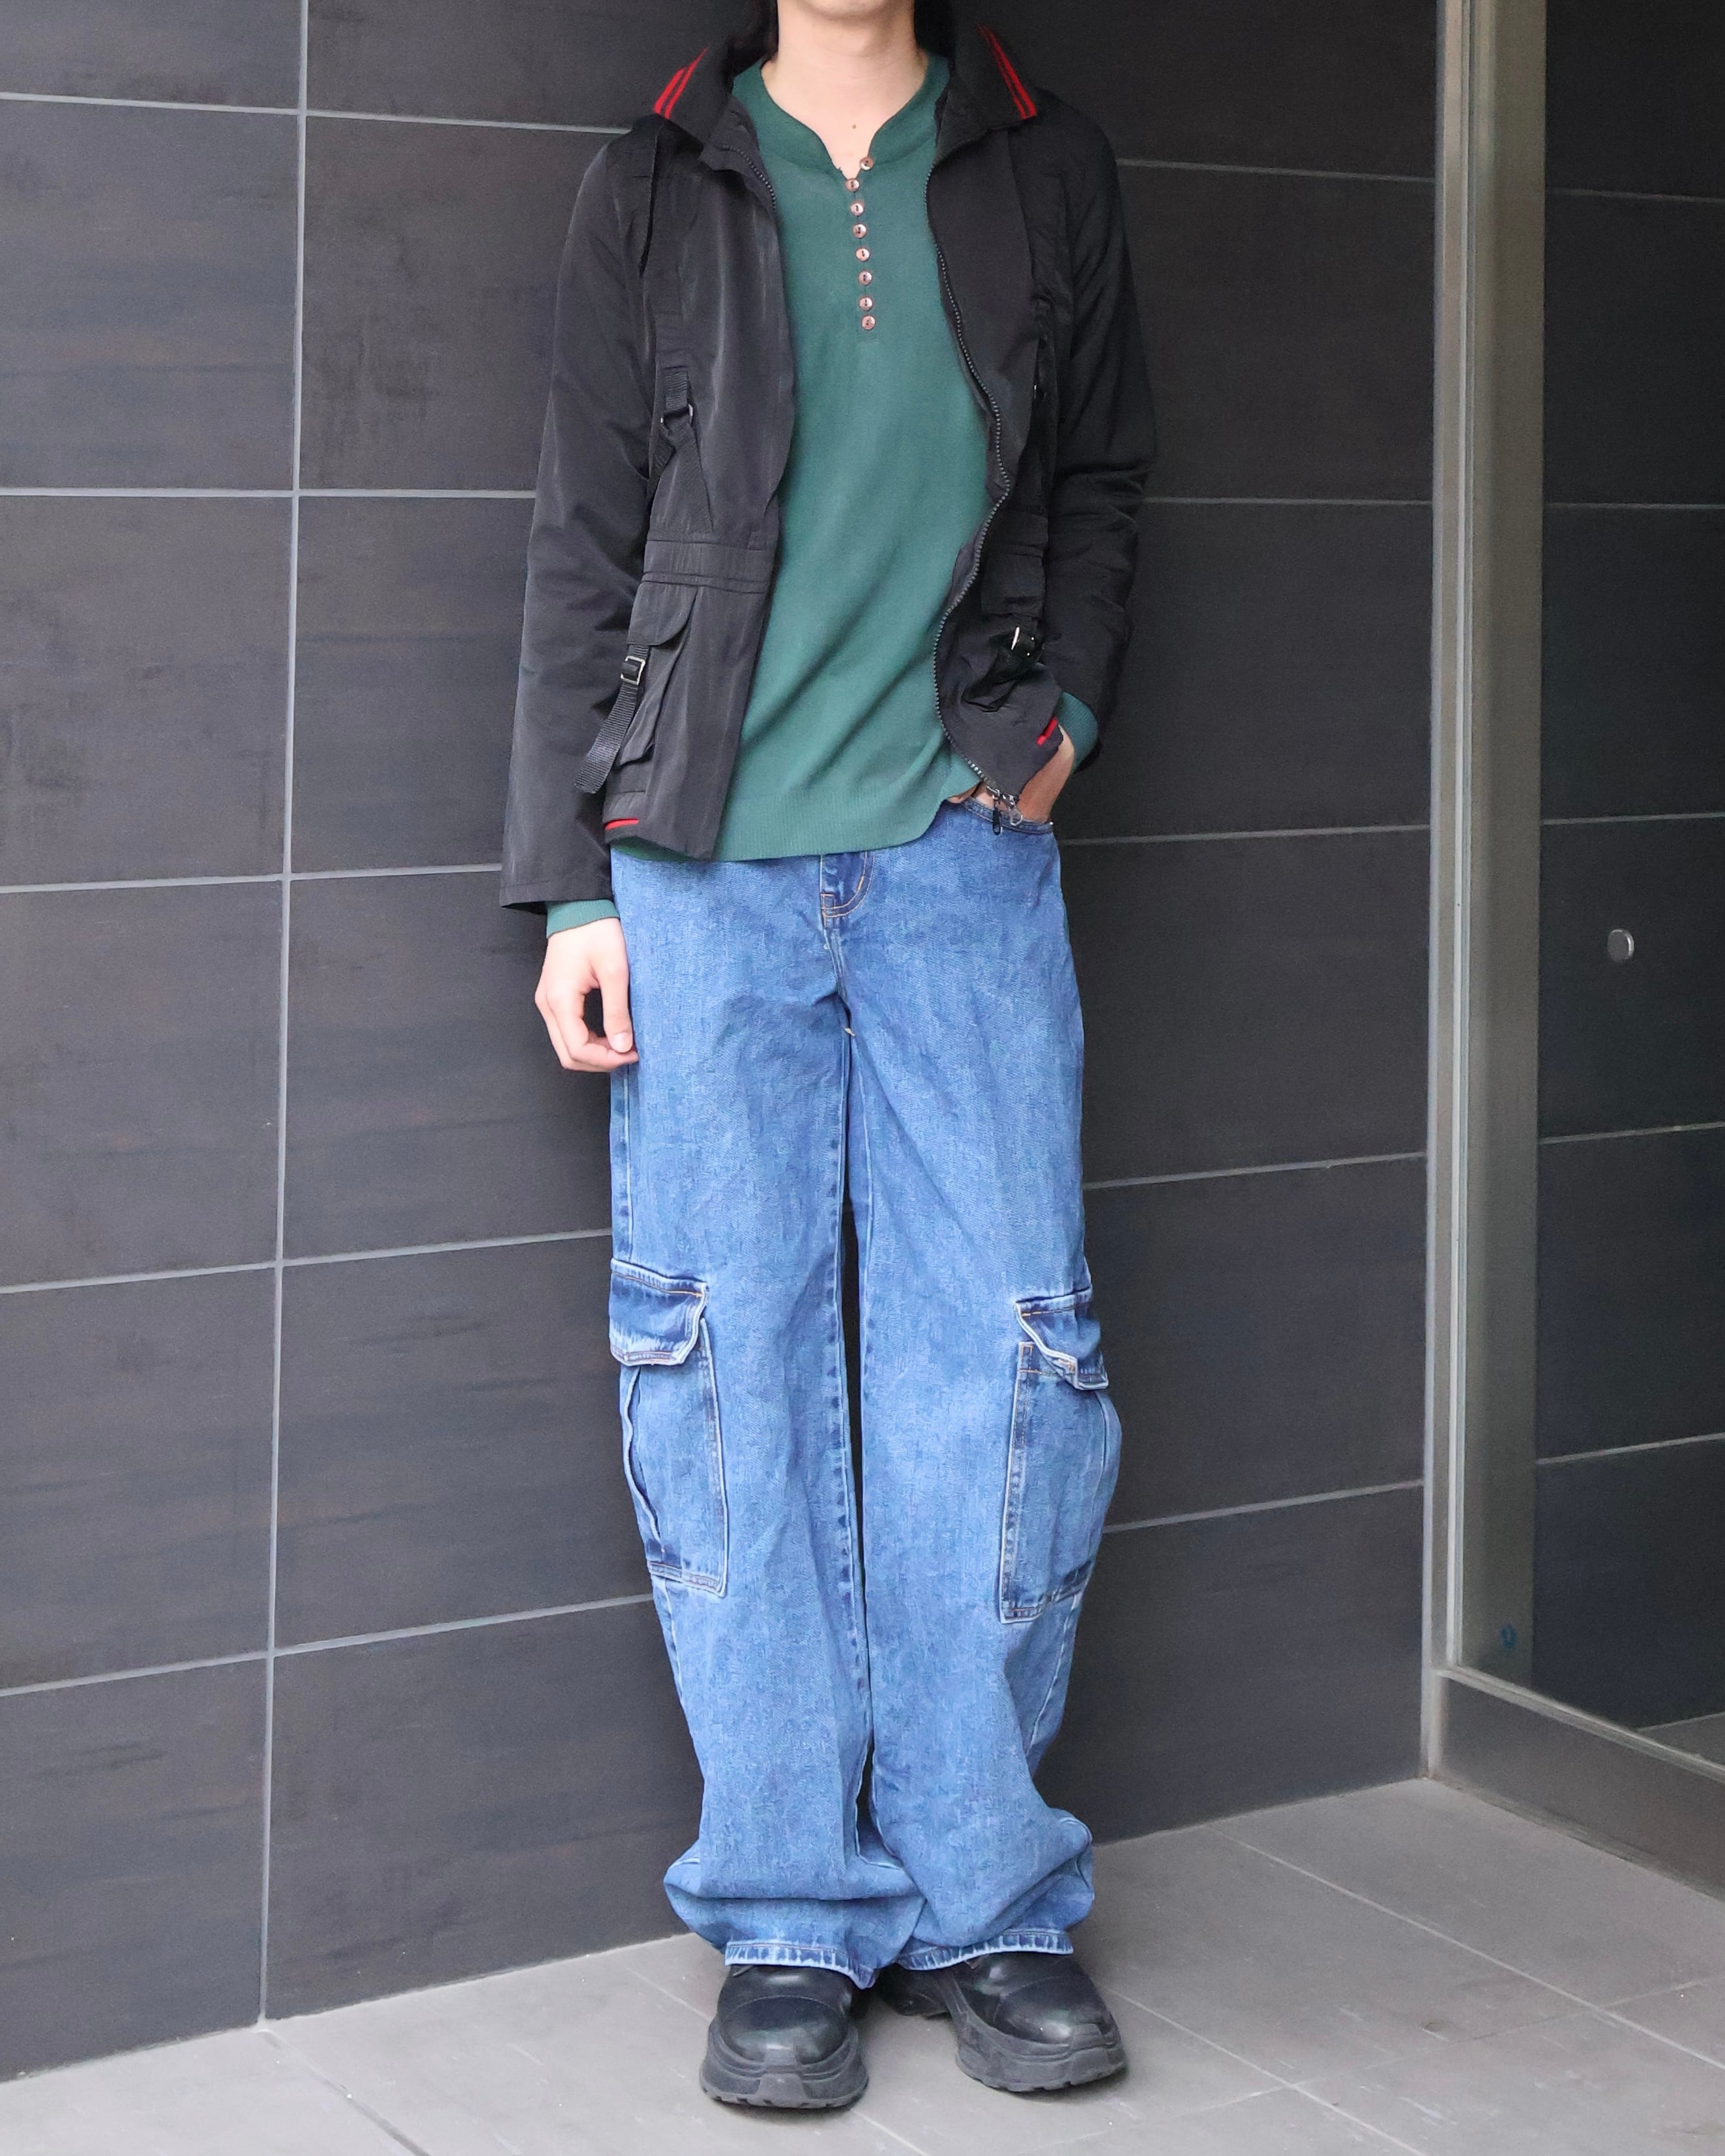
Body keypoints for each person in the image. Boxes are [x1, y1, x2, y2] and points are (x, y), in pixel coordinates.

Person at [502, 0, 1153, 2112]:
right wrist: (573, 888)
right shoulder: (658, 181)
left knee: (1008, 1351)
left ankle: (986, 1892)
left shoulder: (1044, 161)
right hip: (703, 871)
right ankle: (788, 1903)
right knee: (728, 1372)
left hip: (964, 853)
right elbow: (583, 539)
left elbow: (1103, 474)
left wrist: (1060, 720)